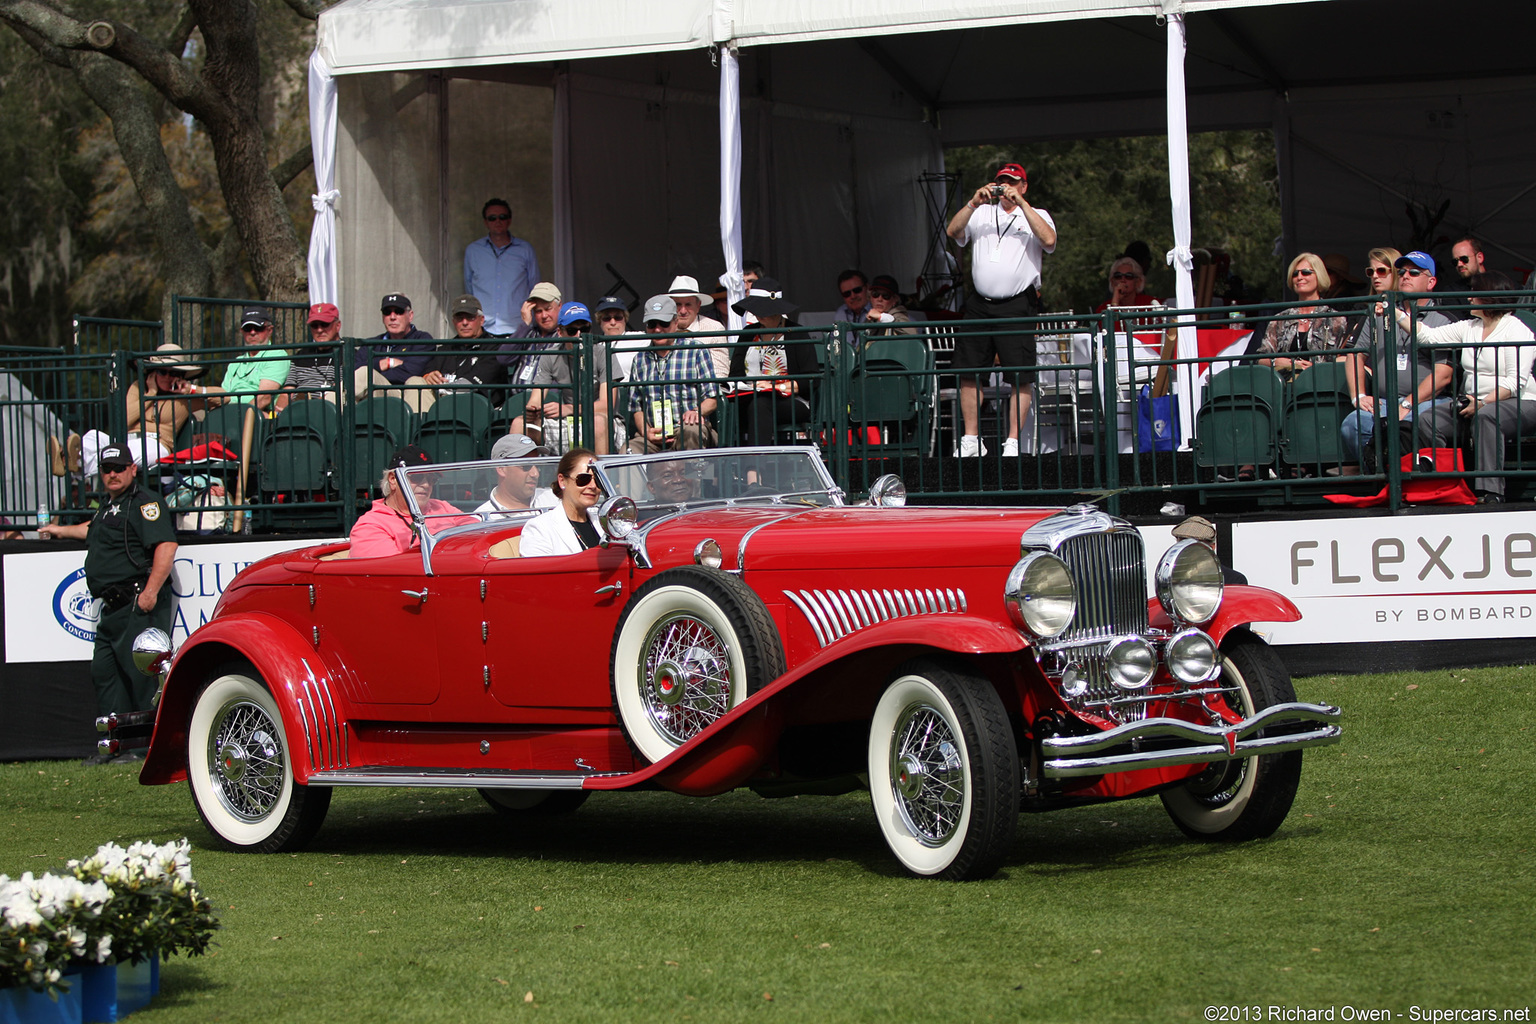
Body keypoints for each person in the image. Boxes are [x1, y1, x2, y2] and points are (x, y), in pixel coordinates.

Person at [37, 443, 176, 759]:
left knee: (142, 680)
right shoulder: (108, 506)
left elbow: (166, 546)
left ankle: (146, 748)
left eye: (118, 468)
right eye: (106, 469)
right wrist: (58, 530)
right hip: (112, 608)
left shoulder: (145, 503)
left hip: (136, 602)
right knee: (105, 673)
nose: (112, 474)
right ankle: (116, 746)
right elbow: (91, 530)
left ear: (133, 469)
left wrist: (150, 593)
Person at [1392, 271, 1536, 503]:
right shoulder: (1469, 326)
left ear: (1488, 298)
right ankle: (1439, 486)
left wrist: (1482, 402)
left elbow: (1514, 383)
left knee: (1488, 416)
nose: (1468, 298)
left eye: (1474, 293)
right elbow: (1427, 337)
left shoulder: (1517, 330)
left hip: (1520, 402)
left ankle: (1491, 492)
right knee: (1428, 419)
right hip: (1473, 402)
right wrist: (1397, 314)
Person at [945, 161, 1058, 457]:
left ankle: (1012, 441)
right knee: (969, 371)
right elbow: (952, 230)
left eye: (1011, 182)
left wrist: (1021, 203)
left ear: (1023, 185)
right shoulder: (982, 213)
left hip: (1017, 302)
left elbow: (1048, 240)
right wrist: (973, 202)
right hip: (981, 303)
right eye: (1001, 182)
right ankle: (971, 439)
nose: (1005, 187)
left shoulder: (1036, 214)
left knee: (1019, 374)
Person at [1340, 249, 1452, 473]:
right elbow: (1355, 354)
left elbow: (1443, 374)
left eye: (1413, 272)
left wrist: (1408, 403)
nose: (1405, 276)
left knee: (1411, 424)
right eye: (1401, 272)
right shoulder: (1379, 313)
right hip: (1384, 402)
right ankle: (1382, 476)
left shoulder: (1442, 319)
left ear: (1431, 282)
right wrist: (1359, 395)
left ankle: (1407, 479)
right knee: (1352, 424)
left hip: (1426, 403)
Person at [523, 301, 622, 454]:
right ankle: (526, 477)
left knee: (598, 421)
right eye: (571, 330)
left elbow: (606, 405)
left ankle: (599, 477)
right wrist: (533, 410)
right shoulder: (550, 355)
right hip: (569, 422)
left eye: (584, 329)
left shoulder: (603, 352)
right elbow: (536, 399)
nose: (579, 335)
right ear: (560, 332)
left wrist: (569, 408)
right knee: (520, 424)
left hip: (605, 421)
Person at [625, 296, 719, 452]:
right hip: (654, 434)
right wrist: (646, 432)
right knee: (629, 450)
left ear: (676, 323)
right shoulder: (639, 359)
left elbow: (712, 398)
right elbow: (636, 407)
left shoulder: (695, 350)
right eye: (651, 324)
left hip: (688, 428)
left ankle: (692, 478)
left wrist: (696, 412)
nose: (657, 329)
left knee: (691, 432)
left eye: (664, 323)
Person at [727, 278, 815, 445]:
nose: (758, 314)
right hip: (750, 397)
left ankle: (755, 468)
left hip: (790, 400)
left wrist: (775, 387)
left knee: (760, 404)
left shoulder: (797, 333)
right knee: (729, 407)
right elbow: (735, 373)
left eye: (764, 310)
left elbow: (810, 379)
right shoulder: (748, 333)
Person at [348, 445, 475, 557]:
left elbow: (476, 535)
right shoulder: (371, 526)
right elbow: (394, 572)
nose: (426, 485)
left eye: (431, 479)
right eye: (417, 477)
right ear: (393, 480)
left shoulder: (443, 508)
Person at [1256, 253, 1350, 379]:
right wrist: (1277, 362)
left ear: (1319, 275)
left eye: (1306, 272)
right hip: (1285, 386)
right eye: (1295, 274)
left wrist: (1317, 368)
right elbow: (1261, 358)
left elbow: (1345, 360)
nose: (1299, 277)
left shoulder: (1336, 319)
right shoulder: (1279, 319)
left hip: (1321, 385)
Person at [463, 197, 540, 335]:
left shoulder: (525, 249)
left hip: (517, 327)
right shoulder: (473, 251)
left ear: (509, 220)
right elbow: (469, 288)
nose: (497, 221)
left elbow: (534, 288)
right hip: (483, 328)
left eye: (502, 217)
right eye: (492, 218)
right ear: (485, 222)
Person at [420, 294, 509, 405]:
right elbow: (427, 372)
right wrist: (428, 377)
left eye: (470, 317)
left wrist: (443, 390)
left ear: (481, 320)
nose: (465, 323)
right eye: (459, 318)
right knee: (415, 382)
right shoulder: (445, 349)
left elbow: (471, 384)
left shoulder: (495, 347)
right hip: (441, 407)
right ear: (453, 322)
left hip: (475, 409)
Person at [353, 293, 436, 413]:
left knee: (367, 374)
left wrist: (377, 373)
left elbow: (413, 371)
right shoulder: (372, 343)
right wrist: (382, 364)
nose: (392, 317)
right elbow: (352, 371)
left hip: (405, 395)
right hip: (377, 394)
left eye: (398, 311)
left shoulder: (422, 339)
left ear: (410, 315)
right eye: (387, 312)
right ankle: (325, 423)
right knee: (363, 374)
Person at [519, 447, 604, 556]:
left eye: (598, 480)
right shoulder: (539, 528)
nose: (592, 486)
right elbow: (537, 570)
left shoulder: (607, 526)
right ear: (562, 481)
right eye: (583, 479)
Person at [206, 307, 290, 411]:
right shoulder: (236, 363)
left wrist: (239, 416)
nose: (252, 332)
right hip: (228, 414)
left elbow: (263, 398)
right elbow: (223, 396)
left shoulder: (277, 355)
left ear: (270, 330)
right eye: (248, 328)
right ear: (242, 331)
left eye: (258, 328)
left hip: (255, 416)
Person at [498, 281, 563, 388]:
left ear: (559, 305)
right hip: (517, 400)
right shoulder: (528, 333)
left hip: (548, 401)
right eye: (538, 311)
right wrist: (525, 324)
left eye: (548, 309)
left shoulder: (566, 334)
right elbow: (503, 359)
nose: (544, 315)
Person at [475, 433, 551, 516]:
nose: (535, 474)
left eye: (538, 465)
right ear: (501, 468)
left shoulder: (555, 500)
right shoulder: (482, 519)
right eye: (526, 466)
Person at [666, 274, 728, 376]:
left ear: (698, 306)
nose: (683, 311)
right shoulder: (660, 329)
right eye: (678, 304)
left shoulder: (714, 329)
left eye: (688, 304)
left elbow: (720, 374)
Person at [283, 303, 343, 404]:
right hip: (298, 409)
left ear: (337, 326)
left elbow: (345, 389)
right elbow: (287, 392)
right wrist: (279, 412)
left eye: (325, 324)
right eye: (314, 325)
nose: (319, 330)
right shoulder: (301, 355)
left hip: (330, 410)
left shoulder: (349, 354)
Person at [860, 275, 918, 339]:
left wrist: (881, 317)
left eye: (886, 296)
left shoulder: (899, 315)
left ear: (895, 300)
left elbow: (912, 333)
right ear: (870, 297)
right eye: (875, 294)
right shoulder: (870, 317)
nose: (880, 299)